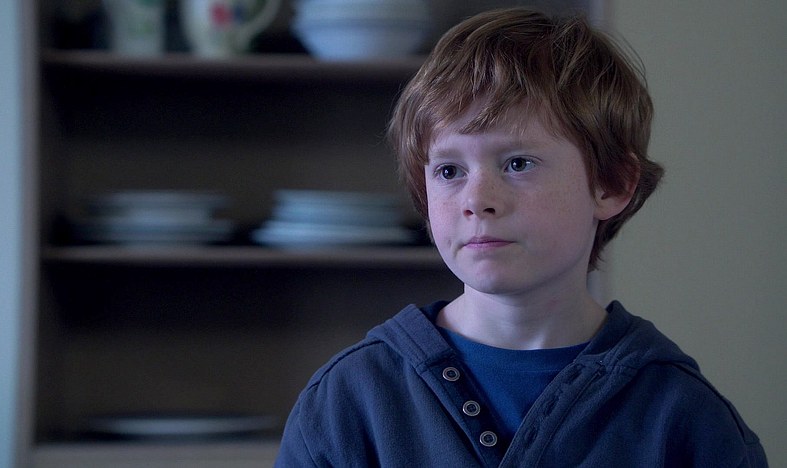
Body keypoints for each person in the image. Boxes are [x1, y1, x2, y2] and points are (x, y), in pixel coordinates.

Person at [275, 7, 767, 467]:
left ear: (612, 184)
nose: (477, 200)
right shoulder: (345, 403)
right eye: (449, 170)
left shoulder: (685, 419)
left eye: (518, 163)